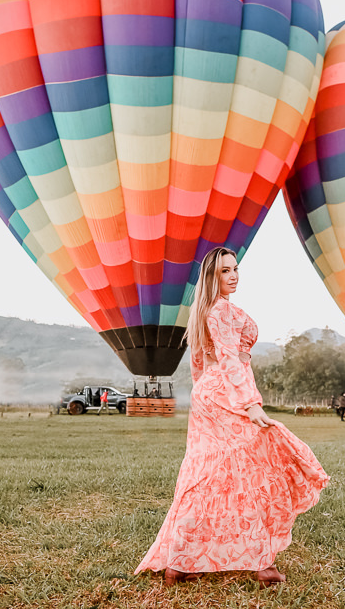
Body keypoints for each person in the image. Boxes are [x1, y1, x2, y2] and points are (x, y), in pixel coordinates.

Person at [134, 247, 329, 588]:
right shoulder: (221, 310)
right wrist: (250, 403)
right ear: (212, 276)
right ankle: (263, 565)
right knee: (250, 472)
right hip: (226, 392)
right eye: (225, 271)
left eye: (235, 268)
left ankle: (179, 564)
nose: (234, 275)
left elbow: (199, 362)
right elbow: (228, 359)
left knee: (205, 475)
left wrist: (204, 394)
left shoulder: (204, 310)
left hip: (207, 394)